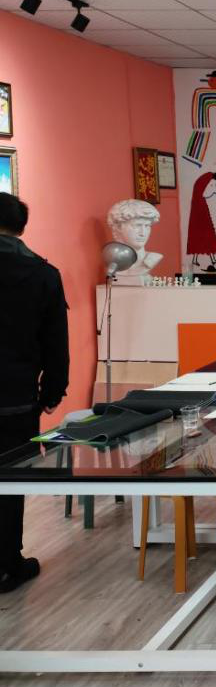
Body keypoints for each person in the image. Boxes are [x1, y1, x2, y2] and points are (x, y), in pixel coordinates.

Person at [0, 193, 69, 593]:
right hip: (15, 397)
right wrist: (52, 392)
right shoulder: (43, 274)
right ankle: (6, 564)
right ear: (22, 227)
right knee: (9, 481)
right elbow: (55, 341)